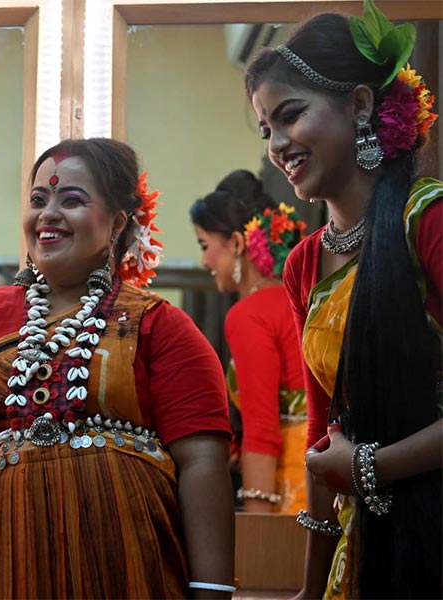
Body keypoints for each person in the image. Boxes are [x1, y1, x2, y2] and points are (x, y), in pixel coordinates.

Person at [0, 138, 235, 598]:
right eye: (37, 200)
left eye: (71, 200)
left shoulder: (159, 325)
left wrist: (210, 590)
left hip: (127, 566)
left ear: (117, 223)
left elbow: (202, 462)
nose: (48, 213)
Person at [246, 1, 441, 596]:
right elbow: (323, 437)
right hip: (362, 554)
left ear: (359, 104)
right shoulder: (305, 264)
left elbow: (345, 460)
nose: (278, 144)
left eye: (291, 115)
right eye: (265, 129)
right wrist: (309, 589)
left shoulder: (426, 219)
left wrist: (370, 468)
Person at [190, 170, 308, 514]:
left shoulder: (249, 314)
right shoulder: (300, 298)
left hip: (292, 487)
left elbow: (262, 429)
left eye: (205, 245)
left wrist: (259, 527)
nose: (204, 261)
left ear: (239, 244)